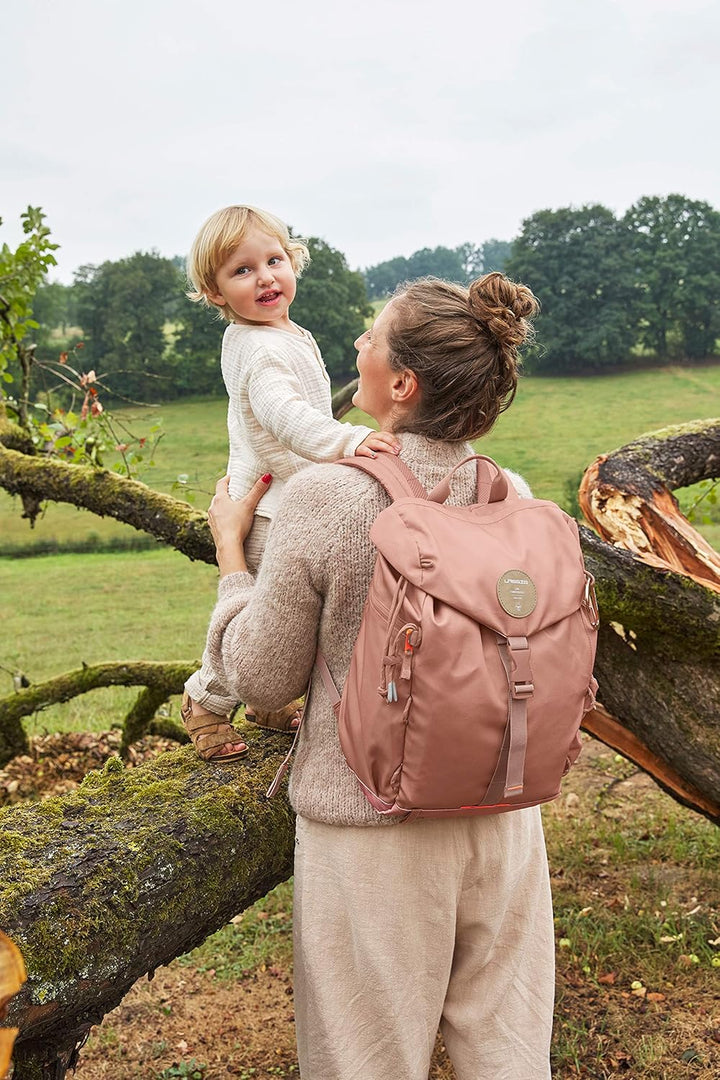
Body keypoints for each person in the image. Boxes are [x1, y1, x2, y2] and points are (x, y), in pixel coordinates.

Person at [203, 272, 553, 1080]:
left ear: (401, 384)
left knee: (366, 1064)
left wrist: (232, 556)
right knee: (508, 1053)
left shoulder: (328, 497)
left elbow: (259, 679)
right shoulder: (511, 493)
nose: (354, 347)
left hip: (371, 831)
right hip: (504, 816)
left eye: (371, 337)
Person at [181, 205, 400, 761]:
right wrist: (347, 443)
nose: (265, 277)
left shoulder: (280, 333)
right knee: (263, 620)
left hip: (282, 500)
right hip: (269, 510)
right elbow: (285, 417)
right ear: (215, 292)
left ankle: (267, 705)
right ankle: (205, 701)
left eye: (274, 260)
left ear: (293, 260)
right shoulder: (259, 349)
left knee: (284, 619)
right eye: (242, 270)